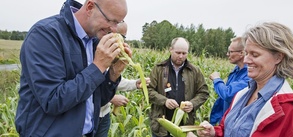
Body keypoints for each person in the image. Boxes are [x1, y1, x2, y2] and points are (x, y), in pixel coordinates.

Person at [15, 0, 131, 136]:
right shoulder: (45, 34)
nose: (114, 29)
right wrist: (98, 66)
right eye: (110, 20)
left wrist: (113, 73)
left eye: (117, 23)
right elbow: (52, 100)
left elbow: (97, 100)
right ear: (90, 7)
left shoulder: (95, 41)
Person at [188, 22, 293, 137]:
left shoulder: (283, 107)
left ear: (278, 57)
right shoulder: (243, 94)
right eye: (246, 53)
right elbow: (227, 129)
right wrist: (214, 132)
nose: (246, 60)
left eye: (255, 55)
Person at [96, 22, 151, 137]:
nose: (119, 41)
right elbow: (85, 83)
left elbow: (110, 79)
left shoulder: (114, 55)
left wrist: (135, 83)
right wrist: (112, 98)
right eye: (116, 35)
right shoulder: (95, 50)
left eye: (123, 37)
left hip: (104, 114)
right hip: (89, 113)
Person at [148, 37, 209, 137]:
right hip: (161, 126)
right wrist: (164, 101)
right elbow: (149, 90)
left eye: (184, 53)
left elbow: (203, 92)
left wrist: (193, 104)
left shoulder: (194, 71)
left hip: (184, 127)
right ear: (171, 50)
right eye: (178, 52)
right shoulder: (159, 69)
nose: (181, 56)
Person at [209, 37, 251, 125]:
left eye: (231, 52)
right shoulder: (235, 71)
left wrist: (217, 80)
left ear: (241, 53)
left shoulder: (249, 75)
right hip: (225, 122)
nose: (227, 54)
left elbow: (228, 94)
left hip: (234, 123)